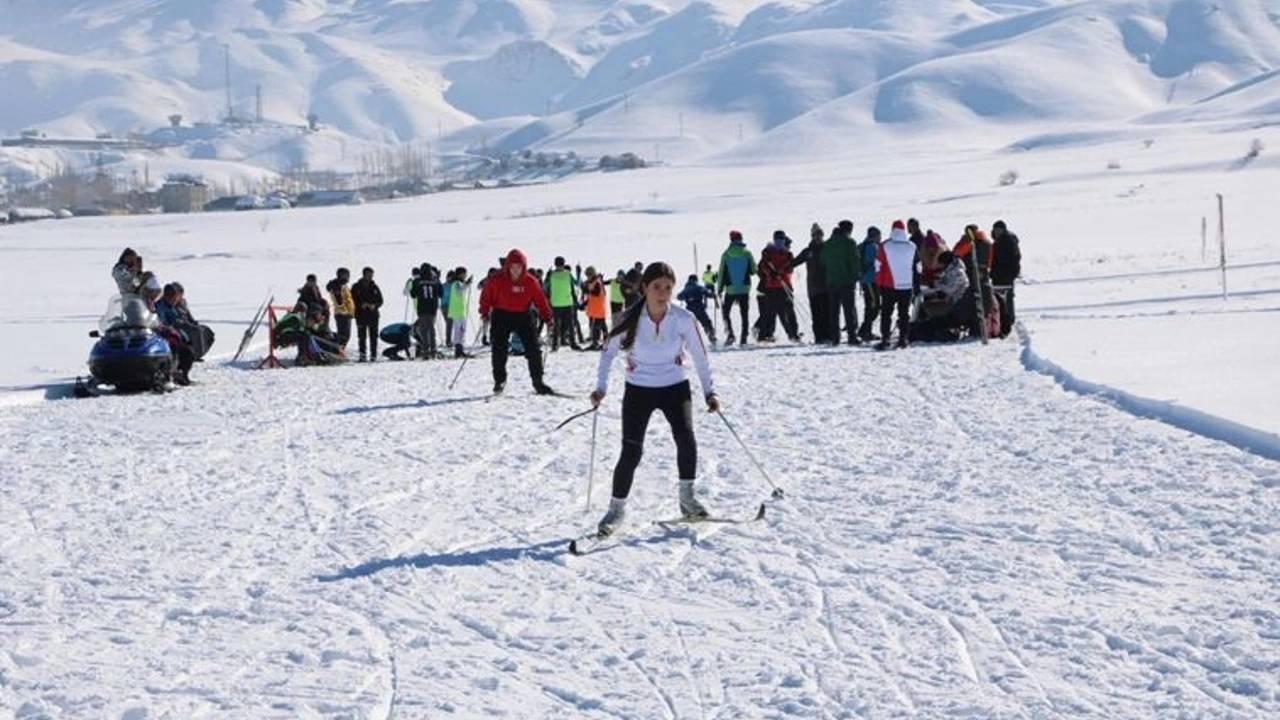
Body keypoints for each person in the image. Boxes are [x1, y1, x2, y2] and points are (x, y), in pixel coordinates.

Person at [590, 261, 720, 538]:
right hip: (639, 389)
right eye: (657, 287)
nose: (663, 293)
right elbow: (607, 353)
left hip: (675, 386)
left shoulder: (683, 319)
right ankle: (616, 510)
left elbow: (700, 356)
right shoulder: (628, 319)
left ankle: (688, 499)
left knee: (685, 436)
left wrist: (710, 391)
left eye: (668, 288)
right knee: (632, 451)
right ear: (645, 288)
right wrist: (601, 388)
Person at [478, 249, 555, 395]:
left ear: (524, 267)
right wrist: (484, 312)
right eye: (513, 267)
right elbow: (486, 296)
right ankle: (499, 381)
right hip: (501, 315)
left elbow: (541, 300)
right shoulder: (496, 279)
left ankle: (538, 381)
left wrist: (548, 317)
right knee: (499, 350)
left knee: (533, 349)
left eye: (519, 267)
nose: (516, 270)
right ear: (507, 266)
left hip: (523, 315)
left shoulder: (530, 281)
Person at [874, 220, 919, 350]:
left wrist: (879, 283)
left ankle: (886, 338)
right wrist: (916, 284)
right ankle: (903, 339)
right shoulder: (912, 246)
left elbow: (878, 266)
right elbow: (918, 267)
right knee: (904, 314)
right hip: (906, 285)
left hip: (889, 285)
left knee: (886, 313)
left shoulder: (885, 246)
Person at [822, 220, 860, 346]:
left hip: (831, 282)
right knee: (849, 310)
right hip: (846, 281)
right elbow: (854, 261)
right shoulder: (850, 243)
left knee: (834, 311)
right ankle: (852, 337)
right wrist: (855, 277)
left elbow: (822, 261)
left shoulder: (828, 243)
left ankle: (835, 338)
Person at [717, 230, 756, 346]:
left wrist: (719, 289)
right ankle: (744, 338)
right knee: (744, 314)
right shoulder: (747, 253)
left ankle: (730, 335)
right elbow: (754, 270)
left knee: (726, 312)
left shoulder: (726, 254)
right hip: (744, 288)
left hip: (730, 289)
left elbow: (721, 273)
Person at [990, 220, 1022, 338]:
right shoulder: (999, 241)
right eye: (995, 230)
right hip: (999, 274)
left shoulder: (1008, 241)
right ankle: (1004, 319)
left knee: (1006, 297)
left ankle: (1008, 319)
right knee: (1001, 297)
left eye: (999, 230)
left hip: (1005, 274)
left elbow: (1014, 258)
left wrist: (1006, 270)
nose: (997, 232)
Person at [546, 256, 581, 351]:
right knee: (570, 324)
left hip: (556, 303)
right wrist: (578, 272)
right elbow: (577, 283)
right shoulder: (568, 274)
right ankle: (573, 344)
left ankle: (554, 346)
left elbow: (545, 287)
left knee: (556, 326)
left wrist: (547, 276)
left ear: (555, 264)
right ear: (564, 264)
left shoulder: (551, 275)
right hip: (567, 303)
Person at [351, 267, 383, 361]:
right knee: (362, 337)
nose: (370, 277)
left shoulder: (374, 286)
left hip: (373, 315)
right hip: (361, 315)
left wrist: (374, 305)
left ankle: (373, 355)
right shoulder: (356, 287)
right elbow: (351, 300)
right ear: (364, 275)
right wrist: (360, 305)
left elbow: (380, 300)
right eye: (368, 275)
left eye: (371, 275)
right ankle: (362, 355)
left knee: (374, 336)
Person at [856, 226, 882, 342]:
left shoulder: (863, 245)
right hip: (870, 280)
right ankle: (865, 331)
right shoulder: (872, 247)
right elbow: (874, 262)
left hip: (866, 280)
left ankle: (865, 330)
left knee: (871, 305)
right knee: (873, 306)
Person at [411, 263, 442, 358]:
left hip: (422, 308)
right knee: (431, 329)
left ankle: (425, 351)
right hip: (432, 308)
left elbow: (413, 294)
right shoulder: (435, 281)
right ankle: (433, 350)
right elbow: (441, 293)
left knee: (423, 330)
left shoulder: (417, 281)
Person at [677, 274, 718, 344]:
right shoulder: (698, 287)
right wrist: (712, 295)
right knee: (706, 323)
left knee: (690, 326)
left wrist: (687, 297)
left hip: (689, 310)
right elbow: (707, 293)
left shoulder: (686, 289)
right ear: (696, 280)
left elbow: (679, 297)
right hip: (699, 309)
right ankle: (711, 336)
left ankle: (687, 341)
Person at [326, 268, 355, 351]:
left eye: (347, 275)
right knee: (344, 336)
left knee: (344, 335)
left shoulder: (343, 285)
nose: (347, 277)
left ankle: (339, 350)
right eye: (344, 275)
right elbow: (339, 300)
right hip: (343, 314)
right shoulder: (337, 286)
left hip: (346, 313)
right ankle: (337, 350)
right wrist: (344, 310)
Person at [446, 266, 472, 357]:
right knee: (458, 330)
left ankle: (460, 348)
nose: (465, 275)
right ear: (460, 274)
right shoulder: (456, 283)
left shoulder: (459, 283)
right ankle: (458, 350)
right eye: (464, 274)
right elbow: (460, 291)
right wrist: (467, 284)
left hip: (460, 311)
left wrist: (466, 284)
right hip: (457, 311)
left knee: (462, 330)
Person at [582, 266, 610, 349]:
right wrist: (584, 304)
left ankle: (595, 343)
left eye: (589, 275)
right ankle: (606, 342)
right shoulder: (594, 281)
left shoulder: (597, 282)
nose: (588, 276)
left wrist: (586, 289)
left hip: (598, 308)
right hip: (597, 308)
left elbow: (596, 293)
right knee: (602, 326)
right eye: (587, 275)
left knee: (596, 327)